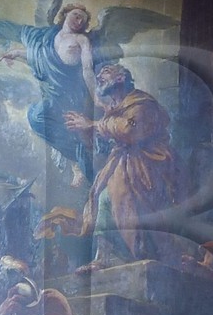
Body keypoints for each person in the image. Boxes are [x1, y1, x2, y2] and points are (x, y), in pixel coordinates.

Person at [67, 61, 183, 263]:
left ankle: (139, 252)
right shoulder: (114, 110)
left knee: (120, 199)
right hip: (123, 163)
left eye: (106, 73)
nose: (99, 77)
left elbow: (130, 130)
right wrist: (86, 132)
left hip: (149, 165)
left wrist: (93, 124)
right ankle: (103, 256)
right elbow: (106, 143)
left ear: (120, 78)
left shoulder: (142, 103)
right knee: (103, 199)